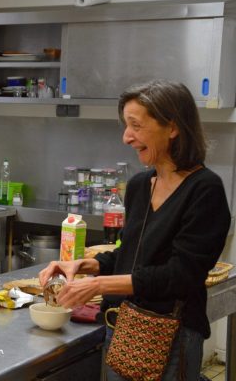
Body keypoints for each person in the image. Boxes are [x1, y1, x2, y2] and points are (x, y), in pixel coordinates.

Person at [39, 80, 231, 380]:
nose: (127, 137)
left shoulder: (204, 189)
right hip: (123, 329)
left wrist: (98, 287)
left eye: (136, 125)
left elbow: (181, 276)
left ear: (172, 128)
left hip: (171, 335)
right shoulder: (141, 186)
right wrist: (84, 265)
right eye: (126, 125)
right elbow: (130, 256)